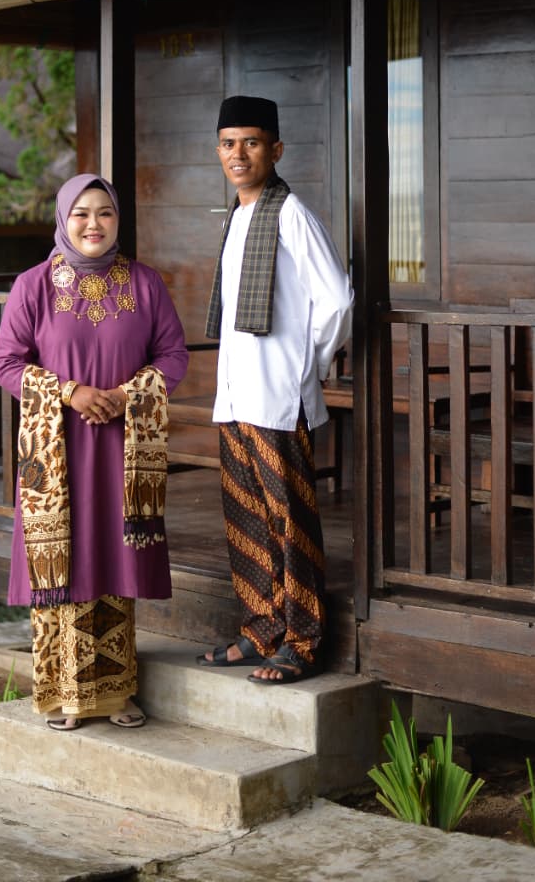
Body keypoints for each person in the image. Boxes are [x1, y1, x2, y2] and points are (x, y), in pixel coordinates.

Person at [0, 173, 188, 730]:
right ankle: (63, 694)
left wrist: (126, 396)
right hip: (58, 452)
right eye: (81, 213)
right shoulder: (33, 286)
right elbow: (7, 363)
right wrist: (70, 392)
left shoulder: (144, 284)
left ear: (118, 219)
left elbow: (172, 356)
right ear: (63, 219)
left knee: (113, 558)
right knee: (66, 560)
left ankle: (115, 694)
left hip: (122, 449)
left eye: (104, 212)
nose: (93, 224)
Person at [197, 95, 353, 684]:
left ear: (276, 149)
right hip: (237, 395)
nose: (238, 153)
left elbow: (337, 301)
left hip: (278, 397)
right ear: (218, 151)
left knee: (290, 523)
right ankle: (262, 629)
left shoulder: (291, 214)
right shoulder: (237, 215)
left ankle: (303, 642)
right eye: (228, 143)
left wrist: (307, 365)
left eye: (252, 142)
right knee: (247, 518)